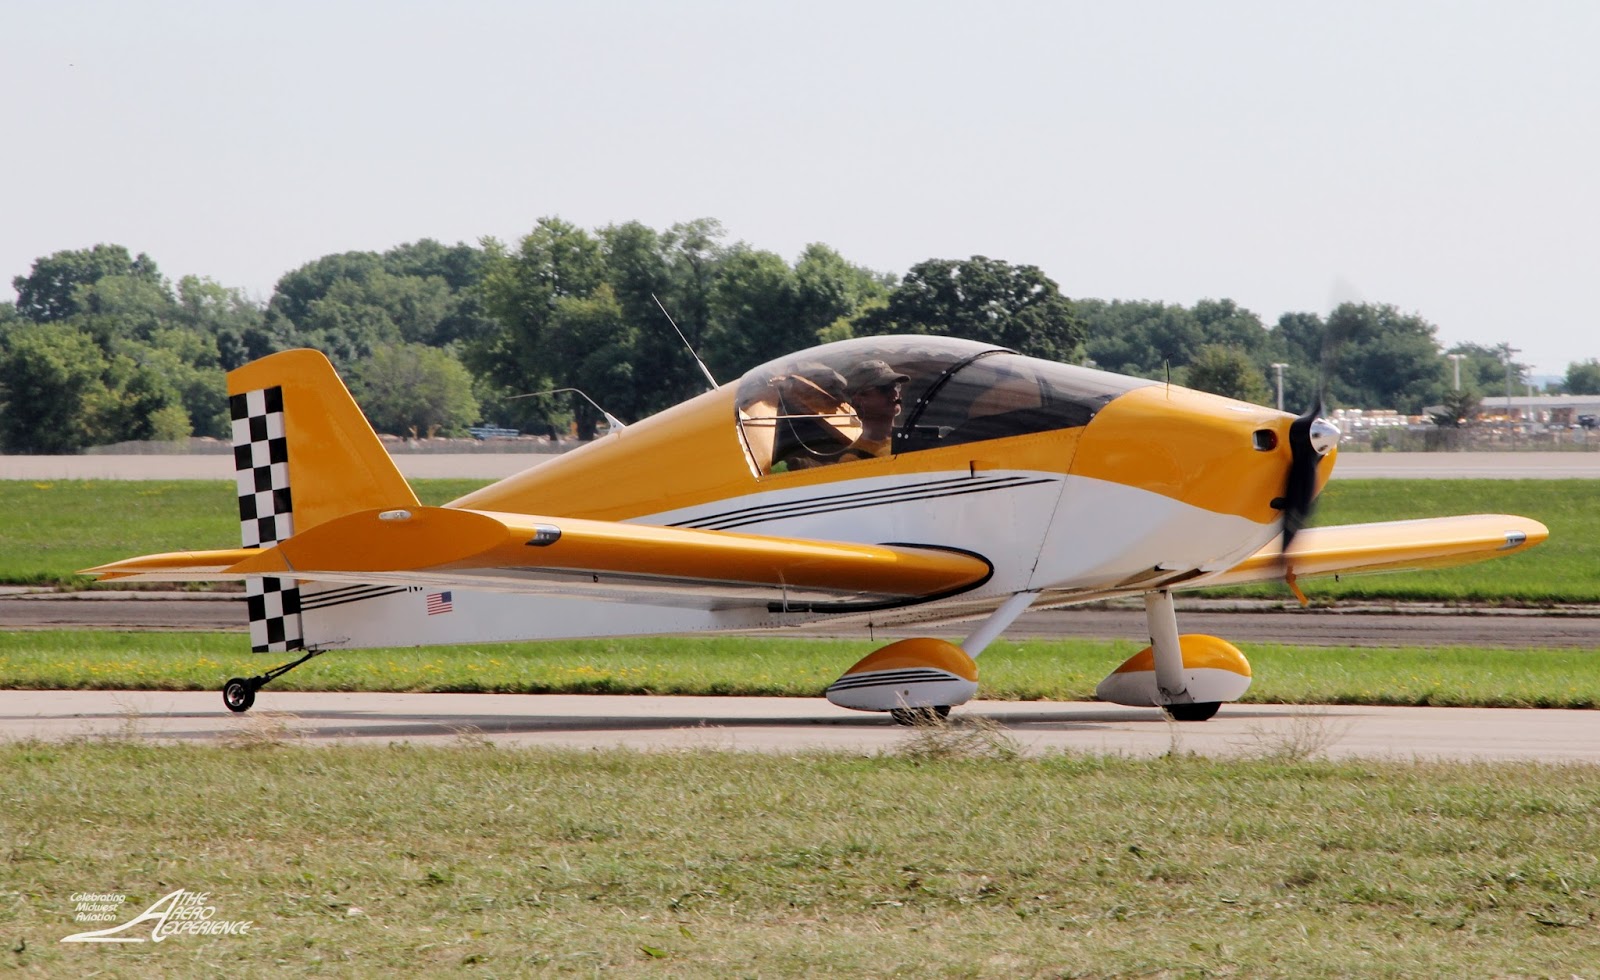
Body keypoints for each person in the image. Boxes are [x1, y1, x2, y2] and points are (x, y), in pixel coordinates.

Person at [837, 359, 908, 461]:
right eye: (885, 388)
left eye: (895, 386)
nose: (894, 393)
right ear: (858, 399)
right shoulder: (853, 458)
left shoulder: (912, 440)